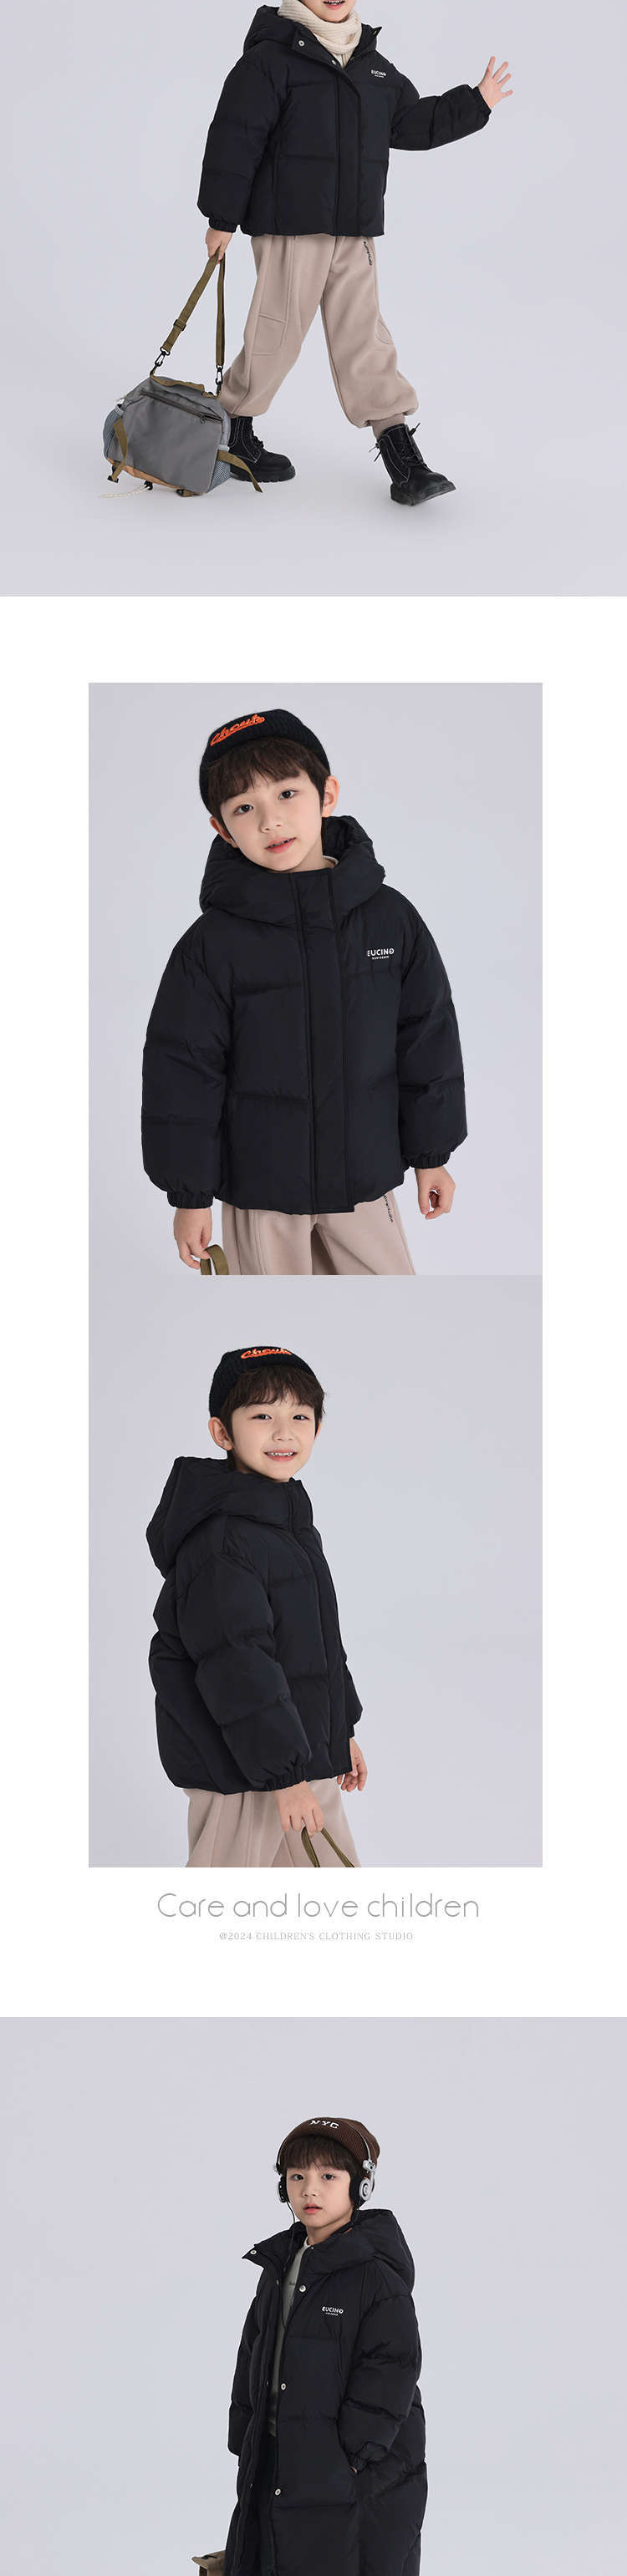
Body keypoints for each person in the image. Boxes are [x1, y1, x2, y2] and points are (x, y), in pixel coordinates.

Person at [195, 0, 512, 502]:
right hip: (291, 228)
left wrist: (475, 103)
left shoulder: (372, 67)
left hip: (354, 231)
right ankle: (232, 431)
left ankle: (402, 458)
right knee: (276, 336)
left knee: (365, 338)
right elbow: (235, 138)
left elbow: (412, 124)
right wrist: (221, 218)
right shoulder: (270, 60)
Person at [141, 697, 467, 1271]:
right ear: (222, 829)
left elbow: (426, 1041)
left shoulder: (390, 919)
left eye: (287, 793)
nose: (270, 820)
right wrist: (190, 1196)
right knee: (270, 1305)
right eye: (245, 807)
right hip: (261, 1191)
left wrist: (430, 1154)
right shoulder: (211, 945)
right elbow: (183, 1072)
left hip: (365, 1181)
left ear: (327, 795)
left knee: (388, 1307)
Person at [219, 2106, 427, 2576]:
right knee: (284, 2567)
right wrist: (247, 2431)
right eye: (297, 2176)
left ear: (360, 2186)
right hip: (282, 2449)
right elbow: (254, 2352)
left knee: (342, 2572)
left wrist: (356, 2453)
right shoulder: (281, 2263)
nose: (310, 2190)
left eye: (328, 2177)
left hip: (350, 2459)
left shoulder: (373, 2272)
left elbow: (393, 2365)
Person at [147, 1349, 366, 1872]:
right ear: (222, 1432)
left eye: (300, 1417)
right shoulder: (222, 1541)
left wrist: (341, 1732)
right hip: (244, 1773)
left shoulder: (287, 1525)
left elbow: (315, 1642)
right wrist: (284, 1775)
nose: (284, 1432)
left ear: (317, 1429)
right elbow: (237, 1663)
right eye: (263, 1415)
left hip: (294, 1759)